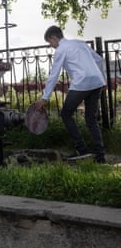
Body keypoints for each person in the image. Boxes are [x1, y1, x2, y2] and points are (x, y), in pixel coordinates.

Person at [34, 26, 106, 163]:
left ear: (53, 38)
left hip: (82, 83)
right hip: (97, 82)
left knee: (66, 114)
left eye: (50, 43)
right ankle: (100, 156)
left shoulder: (61, 49)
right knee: (91, 118)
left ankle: (81, 149)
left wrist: (44, 98)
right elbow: (98, 60)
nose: (51, 47)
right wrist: (102, 79)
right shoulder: (80, 43)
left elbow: (54, 75)